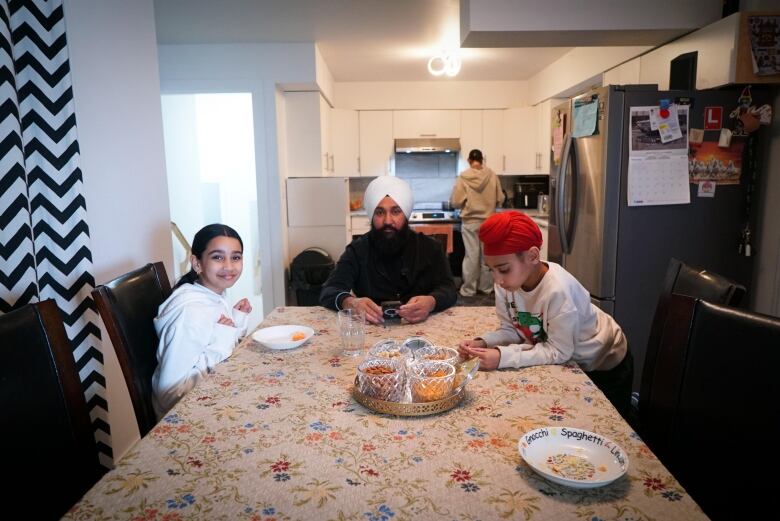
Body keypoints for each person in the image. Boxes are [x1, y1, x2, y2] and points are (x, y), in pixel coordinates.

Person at [457, 211, 632, 417]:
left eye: (503, 269)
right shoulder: (508, 283)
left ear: (532, 255)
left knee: (606, 423)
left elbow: (559, 352)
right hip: (570, 360)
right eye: (491, 270)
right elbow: (512, 330)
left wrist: (502, 357)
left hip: (605, 363)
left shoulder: (558, 291)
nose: (497, 280)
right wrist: (483, 343)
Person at [319, 176, 457, 324]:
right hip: (372, 333)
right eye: (379, 212)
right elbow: (329, 290)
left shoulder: (430, 247)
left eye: (396, 211)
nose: (388, 221)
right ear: (372, 216)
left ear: (406, 215)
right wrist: (349, 302)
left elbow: (449, 289)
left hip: (422, 333)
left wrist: (431, 301)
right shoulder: (357, 250)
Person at [152, 223, 252, 418]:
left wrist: (236, 321)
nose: (229, 266)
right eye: (217, 257)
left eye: (236, 257)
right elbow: (170, 396)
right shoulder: (191, 313)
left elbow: (213, 346)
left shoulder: (211, 295)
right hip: (188, 420)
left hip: (216, 399)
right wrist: (220, 342)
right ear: (197, 263)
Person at [450, 149, 505, 297]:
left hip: (470, 222)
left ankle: (469, 289)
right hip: (489, 222)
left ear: (469, 160)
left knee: (471, 255)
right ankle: (486, 288)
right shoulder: (492, 175)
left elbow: (455, 201)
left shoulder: (463, 177)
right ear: (482, 160)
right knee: (486, 255)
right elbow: (500, 198)